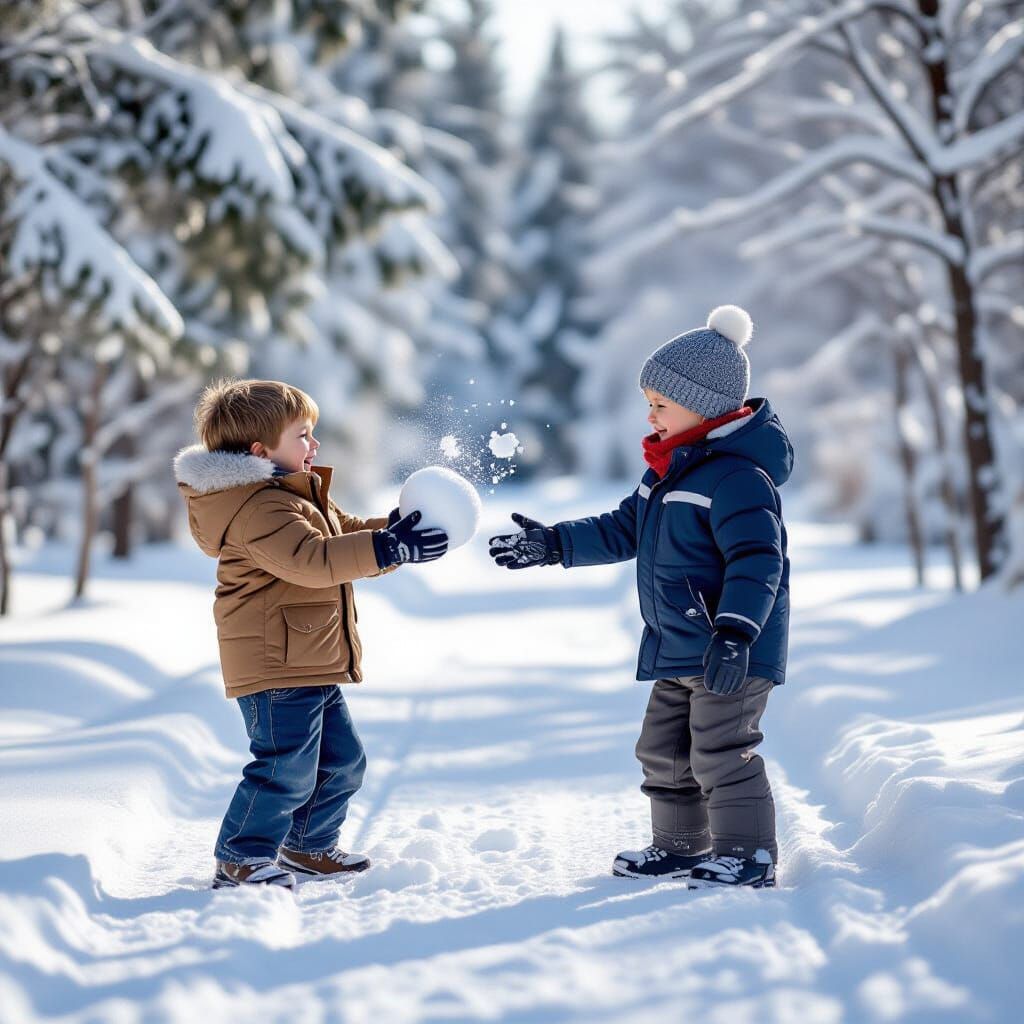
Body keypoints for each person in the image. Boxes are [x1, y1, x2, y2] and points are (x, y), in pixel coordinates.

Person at [489, 306, 792, 889]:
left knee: (721, 750)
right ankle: (681, 846)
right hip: (680, 643)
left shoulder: (736, 480)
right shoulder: (668, 472)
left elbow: (759, 562)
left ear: (703, 406)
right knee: (664, 751)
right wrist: (552, 544)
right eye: (648, 402)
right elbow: (623, 528)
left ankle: (749, 854)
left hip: (731, 647)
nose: (649, 415)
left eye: (660, 404)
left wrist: (736, 633)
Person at [174, 379, 448, 889]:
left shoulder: (293, 496)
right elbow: (315, 560)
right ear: (260, 450)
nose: (314, 445)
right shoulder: (257, 508)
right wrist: (390, 549)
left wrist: (396, 531)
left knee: (343, 762)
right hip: (273, 663)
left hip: (306, 656)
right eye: (302, 434)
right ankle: (240, 855)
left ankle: (308, 845)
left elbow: (343, 536)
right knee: (285, 768)